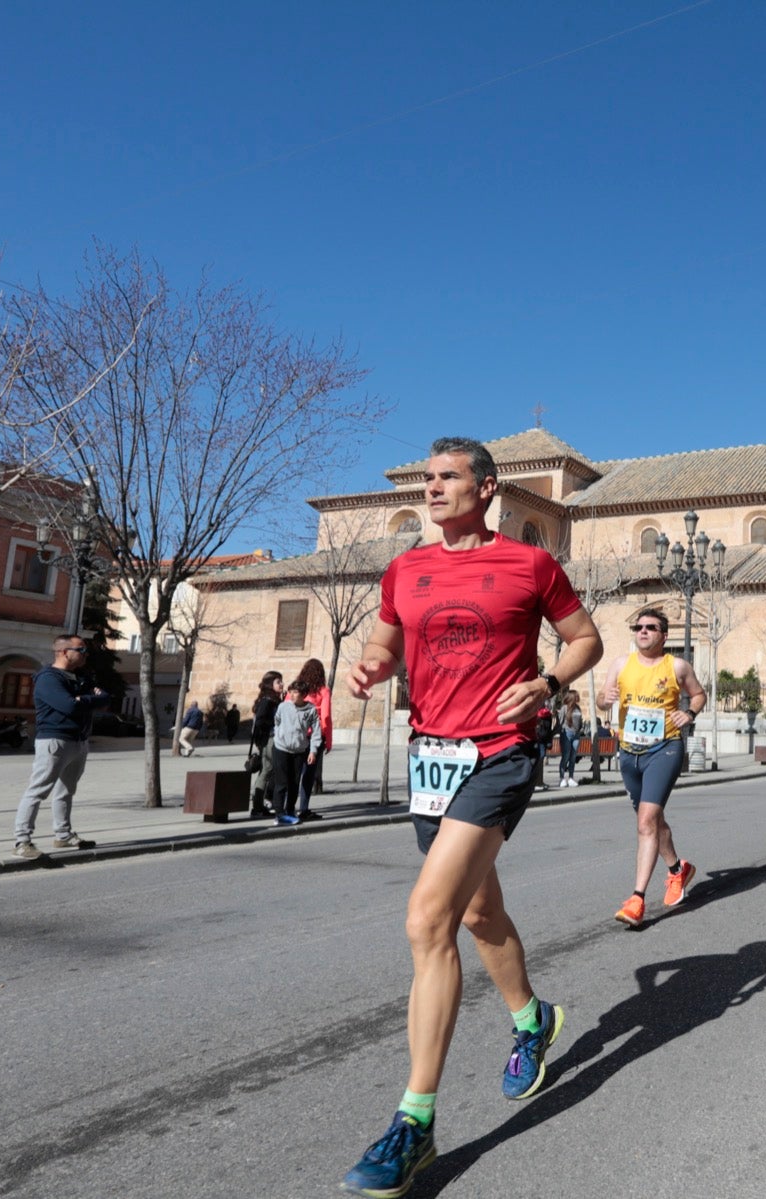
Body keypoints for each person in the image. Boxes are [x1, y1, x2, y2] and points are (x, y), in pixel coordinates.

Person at [339, 437, 602, 1198]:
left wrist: (547, 682)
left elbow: (586, 638)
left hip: (500, 753)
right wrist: (373, 664)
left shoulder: (531, 564)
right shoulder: (405, 569)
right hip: (431, 759)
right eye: (427, 478)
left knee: (429, 919)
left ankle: (415, 1122)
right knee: (478, 910)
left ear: (486, 488)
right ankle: (533, 1018)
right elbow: (385, 640)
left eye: (448, 477)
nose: (432, 488)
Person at [599, 607, 705, 928]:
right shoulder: (621, 664)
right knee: (653, 820)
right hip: (629, 752)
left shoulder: (677, 666)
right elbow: (602, 701)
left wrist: (689, 713)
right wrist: (605, 699)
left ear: (664, 635)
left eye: (650, 627)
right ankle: (677, 870)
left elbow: (698, 695)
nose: (642, 631)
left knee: (646, 821)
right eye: (638, 627)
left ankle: (637, 899)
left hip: (665, 749)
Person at [11, 633, 111, 858]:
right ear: (64, 652)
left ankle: (63, 835)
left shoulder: (81, 677)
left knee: (66, 791)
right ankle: (22, 841)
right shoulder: (48, 678)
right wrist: (85, 700)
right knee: (38, 790)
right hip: (54, 741)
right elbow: (68, 706)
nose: (86, 654)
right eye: (81, 650)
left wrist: (83, 700)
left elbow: (105, 698)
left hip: (79, 741)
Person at [271, 682, 323, 826]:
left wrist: (313, 751)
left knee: (294, 783)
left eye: (295, 692)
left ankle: (289, 811)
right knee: (281, 782)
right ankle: (279, 814)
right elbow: (277, 721)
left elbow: (316, 732)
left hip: (299, 751)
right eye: (291, 692)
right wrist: (280, 735)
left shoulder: (310, 710)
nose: (292, 695)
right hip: (281, 748)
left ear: (304, 695)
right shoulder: (283, 707)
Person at [292, 658, 334, 819]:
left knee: (295, 772)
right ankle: (303, 809)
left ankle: (288, 807)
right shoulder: (323, 691)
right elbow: (326, 717)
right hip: (315, 736)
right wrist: (328, 740)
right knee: (308, 774)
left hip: (297, 735)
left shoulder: (295, 690)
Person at [249, 671, 284, 818]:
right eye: (278, 682)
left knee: (267, 771)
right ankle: (257, 807)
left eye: (281, 681)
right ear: (270, 684)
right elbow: (260, 721)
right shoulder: (267, 700)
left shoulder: (273, 699)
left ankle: (259, 805)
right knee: (266, 771)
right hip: (269, 740)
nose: (281, 684)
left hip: (272, 739)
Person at [557, 690, 583, 787]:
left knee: (573, 757)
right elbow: (560, 722)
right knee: (566, 756)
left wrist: (581, 729)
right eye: (576, 696)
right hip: (566, 733)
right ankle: (562, 778)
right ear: (572, 697)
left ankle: (571, 777)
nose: (577, 698)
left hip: (576, 734)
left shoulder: (578, 708)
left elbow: (580, 721)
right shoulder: (564, 708)